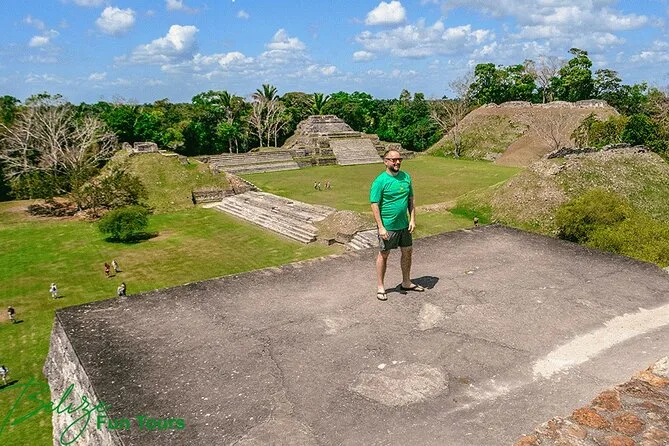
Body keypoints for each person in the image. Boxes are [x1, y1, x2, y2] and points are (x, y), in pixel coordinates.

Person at [370, 149, 425, 301]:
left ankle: (406, 282)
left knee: (407, 251)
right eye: (394, 160)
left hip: (404, 224)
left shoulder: (406, 177)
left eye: (399, 159)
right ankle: (381, 287)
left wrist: (412, 219)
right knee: (384, 254)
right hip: (388, 225)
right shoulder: (380, 181)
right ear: (385, 161)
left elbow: (410, 199)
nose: (398, 162)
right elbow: (374, 204)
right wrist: (381, 227)